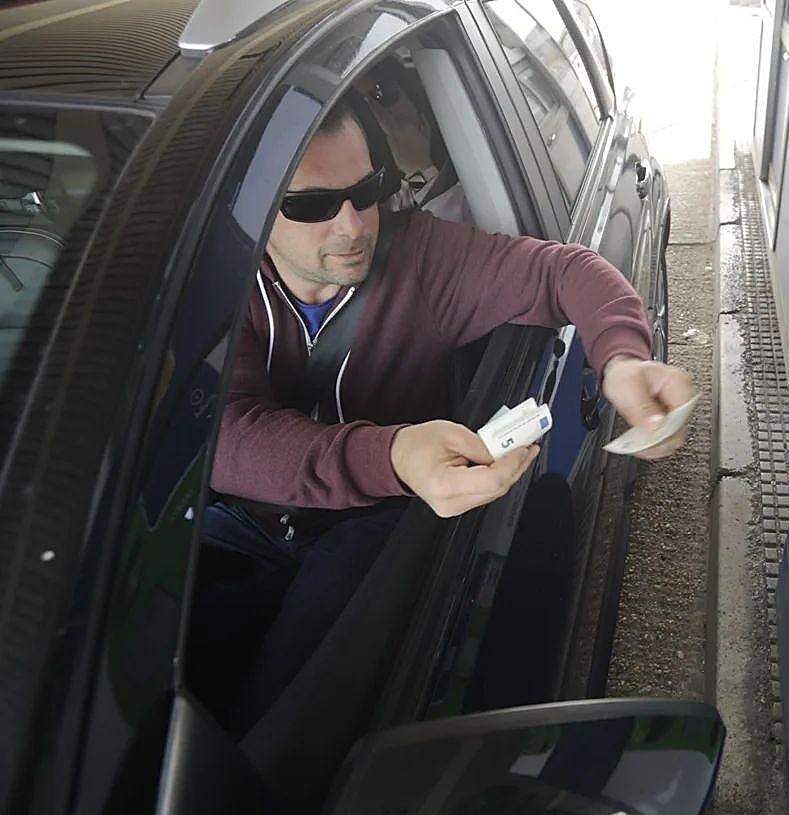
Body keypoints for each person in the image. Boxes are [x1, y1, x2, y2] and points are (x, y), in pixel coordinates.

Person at [192, 98, 692, 730]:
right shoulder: (215, 286)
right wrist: (392, 452)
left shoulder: (421, 261)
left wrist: (621, 360)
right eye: (312, 205)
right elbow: (227, 432)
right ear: (254, 209)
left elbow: (564, 271)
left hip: (373, 525)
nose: (351, 225)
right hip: (241, 522)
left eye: (366, 189)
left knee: (286, 723)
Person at [355, 59, 473, 224]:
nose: (381, 117)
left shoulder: (473, 156)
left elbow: (467, 239)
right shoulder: (359, 202)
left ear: (412, 96)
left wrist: (420, 170)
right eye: (363, 109)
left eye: (382, 93)